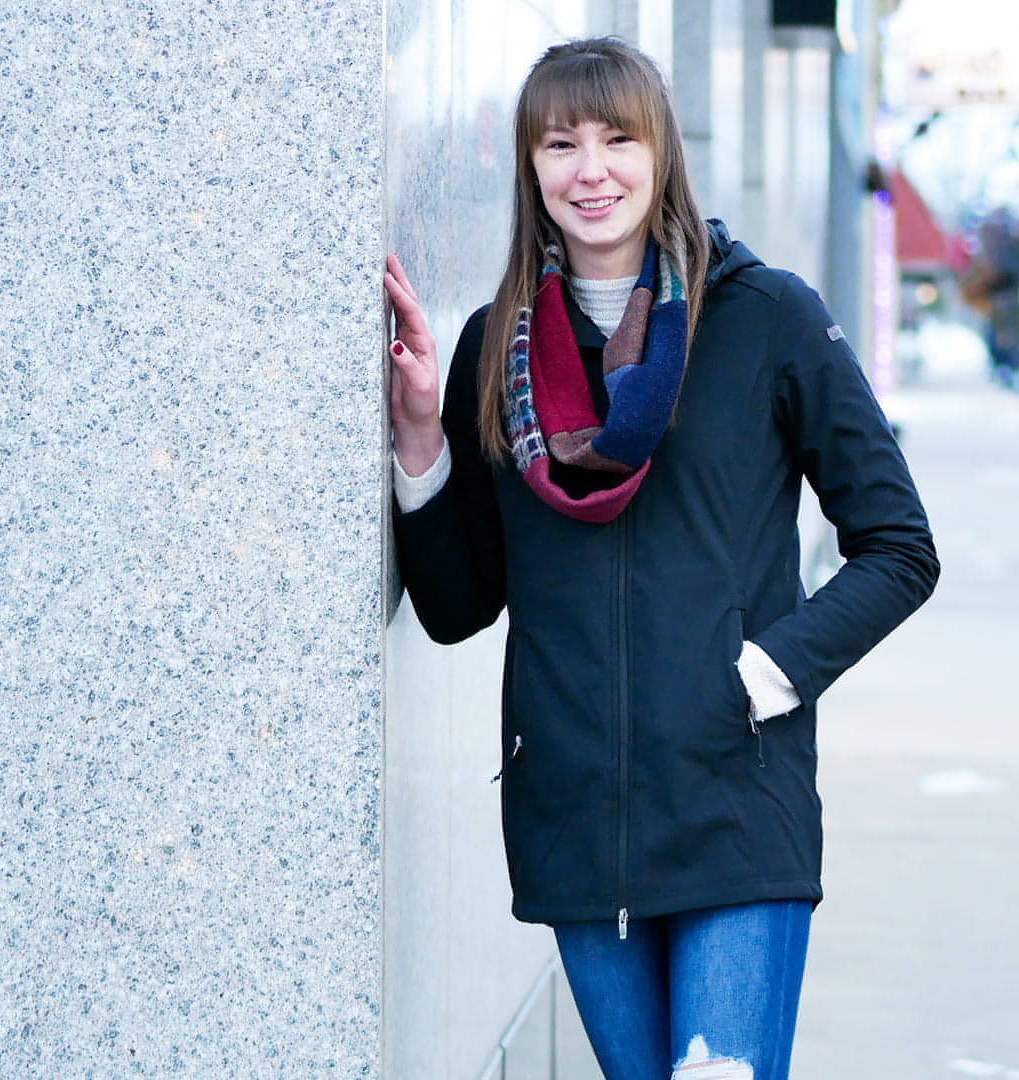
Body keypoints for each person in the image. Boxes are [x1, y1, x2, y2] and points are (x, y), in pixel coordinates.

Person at [384, 37, 939, 1080]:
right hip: (574, 820)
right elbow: (461, 605)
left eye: (617, 139)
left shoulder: (766, 318)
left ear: (661, 153)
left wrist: (759, 676)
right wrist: (421, 440)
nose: (590, 169)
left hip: (737, 803)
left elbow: (899, 548)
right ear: (531, 165)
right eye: (560, 143)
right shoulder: (493, 348)